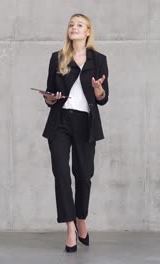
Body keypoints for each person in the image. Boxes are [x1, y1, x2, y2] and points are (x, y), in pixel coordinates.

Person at [40, 13, 109, 253]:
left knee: (84, 175)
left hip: (85, 123)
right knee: (61, 174)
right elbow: (50, 93)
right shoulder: (57, 58)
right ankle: (70, 228)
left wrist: (99, 89)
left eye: (79, 25)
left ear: (88, 31)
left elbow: (103, 99)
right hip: (60, 121)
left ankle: (81, 218)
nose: (74, 28)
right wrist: (49, 99)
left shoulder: (99, 60)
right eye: (71, 24)